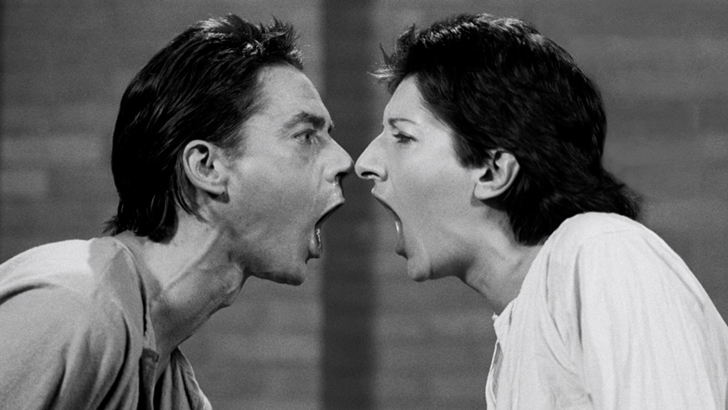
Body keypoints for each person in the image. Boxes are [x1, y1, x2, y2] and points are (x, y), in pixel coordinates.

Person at [355, 13, 728, 409]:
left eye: (402, 136)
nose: (365, 162)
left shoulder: (602, 251)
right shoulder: (518, 340)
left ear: (493, 171)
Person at [0, 14, 351, 410]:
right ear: (206, 166)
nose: (345, 160)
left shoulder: (177, 392)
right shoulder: (72, 308)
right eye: (306, 136)